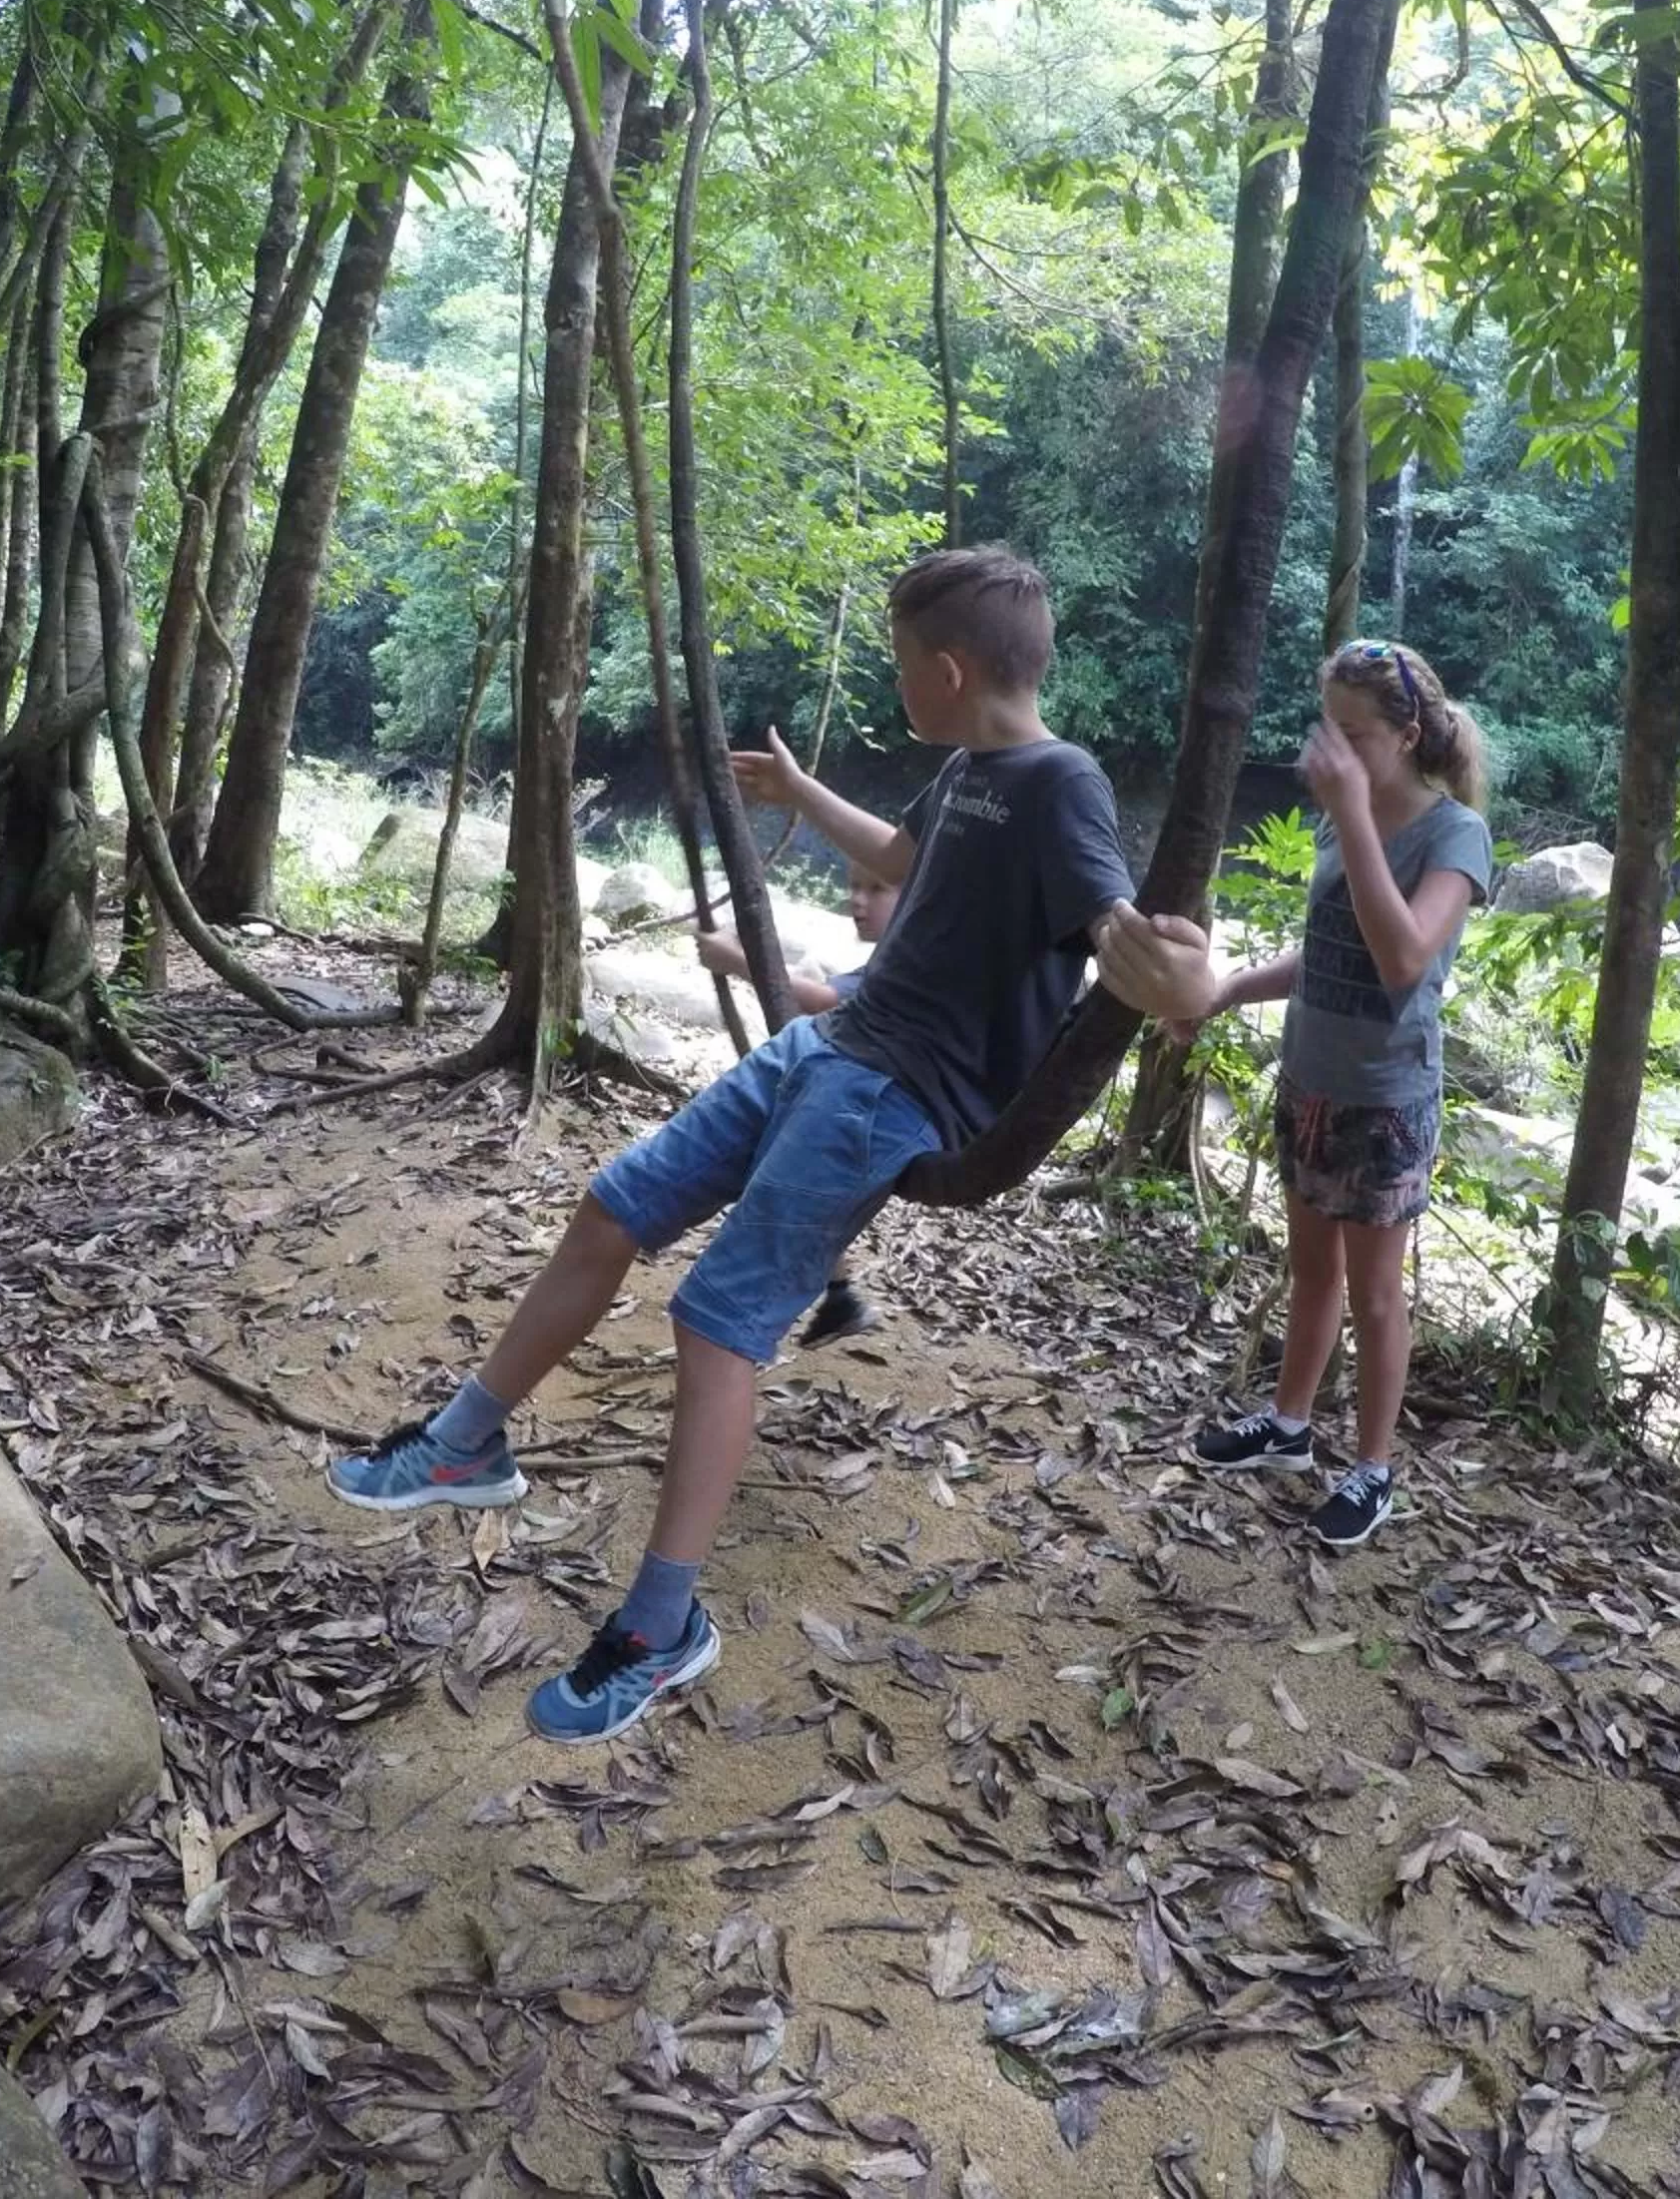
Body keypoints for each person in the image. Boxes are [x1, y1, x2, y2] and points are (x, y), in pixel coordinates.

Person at [332, 545, 1188, 1742]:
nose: (900, 683)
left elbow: (1106, 916)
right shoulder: (972, 771)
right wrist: (798, 795)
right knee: (611, 1207)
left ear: (945, 669)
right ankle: (463, 1443)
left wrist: (1156, 962)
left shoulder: (1060, 781)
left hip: (893, 1094)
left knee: (717, 1321)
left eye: (901, 664)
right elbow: (905, 858)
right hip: (826, 1056)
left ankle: (660, 1624)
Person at [1107, 638, 1492, 1547]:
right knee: (1310, 1268)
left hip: (1386, 1097)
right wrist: (1223, 991)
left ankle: (1372, 1470)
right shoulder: (1339, 818)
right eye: (1332, 729)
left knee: (1377, 1294)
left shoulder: (1454, 836)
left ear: (1405, 736)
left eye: (1355, 734)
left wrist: (1355, 816)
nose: (1335, 751)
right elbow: (1328, 954)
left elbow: (1403, 958)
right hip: (1311, 1081)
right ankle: (1286, 1431)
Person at [692, 859, 902, 1347]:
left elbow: (825, 998)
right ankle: (840, 1295)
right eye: (852, 885)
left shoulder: (900, 964)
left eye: (875, 886)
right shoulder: (889, 959)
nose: (857, 899)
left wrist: (735, 960)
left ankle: (756, 1315)